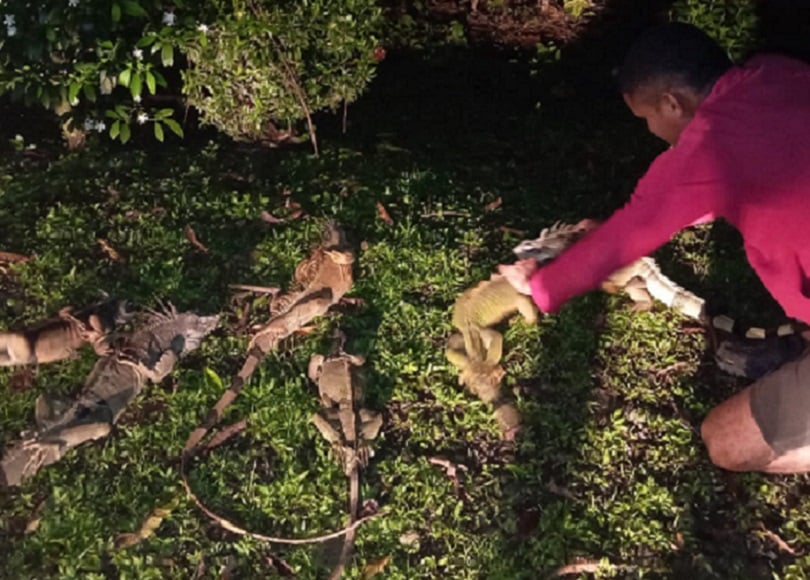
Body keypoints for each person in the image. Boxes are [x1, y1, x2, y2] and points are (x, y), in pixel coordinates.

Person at [499, 22, 810, 473]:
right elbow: (723, 185)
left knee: (724, 441)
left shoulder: (708, 144)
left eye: (646, 119)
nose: (650, 130)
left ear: (671, 102)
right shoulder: (776, 74)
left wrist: (540, 285)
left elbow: (629, 234)